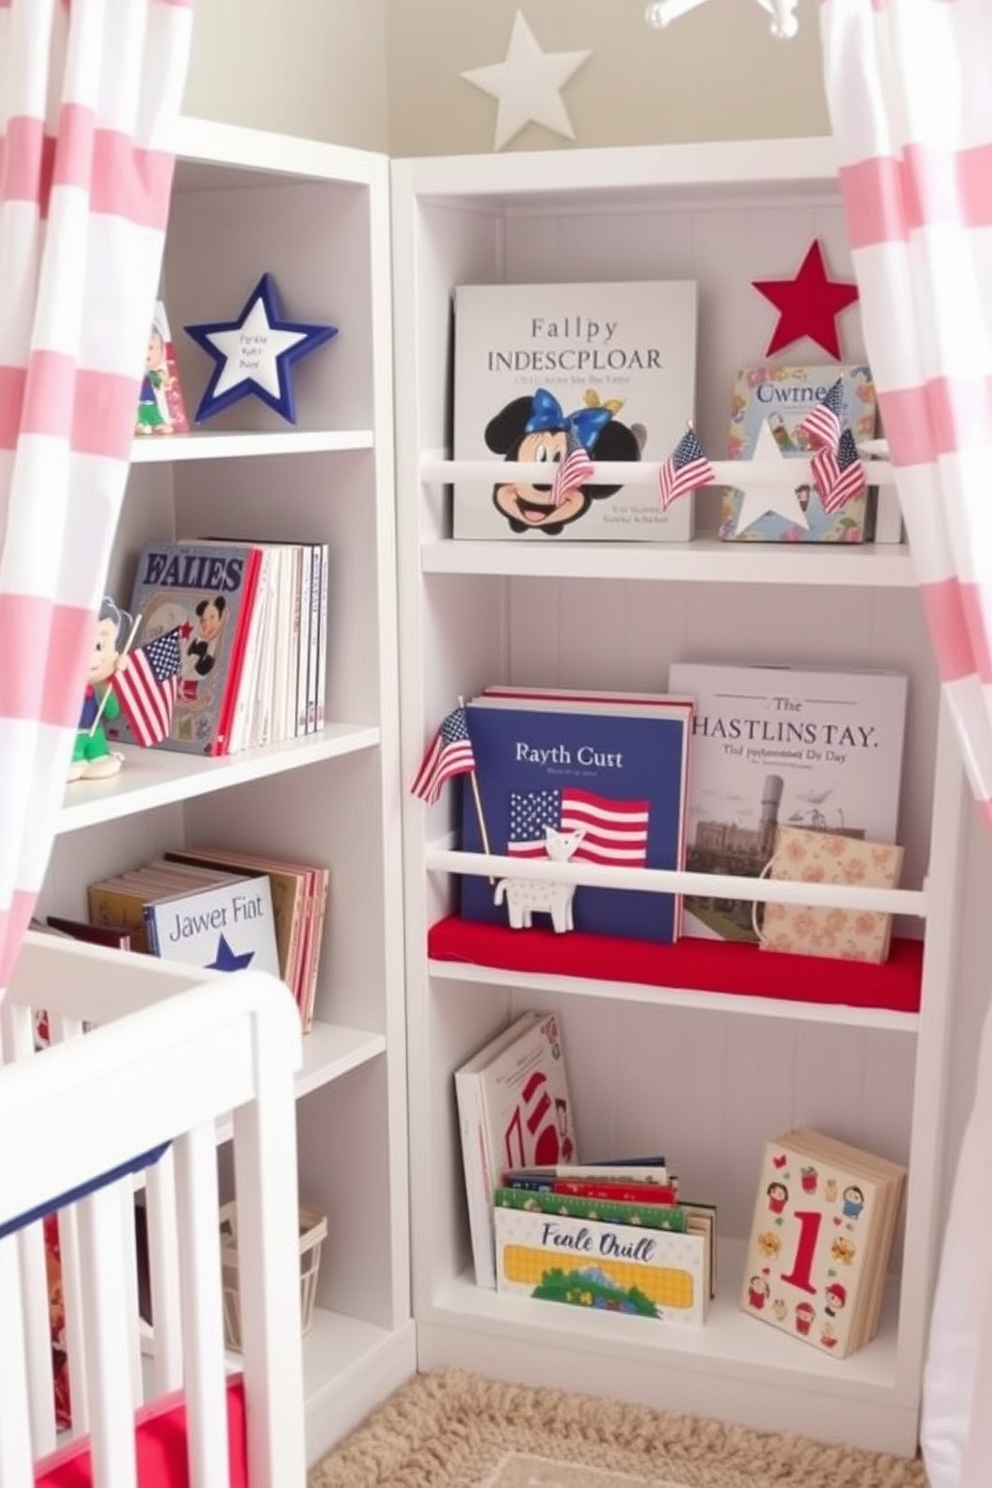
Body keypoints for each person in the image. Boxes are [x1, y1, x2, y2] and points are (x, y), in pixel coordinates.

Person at [68, 597, 131, 782]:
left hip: (95, 735)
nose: (93, 657)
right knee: (73, 758)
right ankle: (73, 760)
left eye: (98, 646)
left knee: (101, 759)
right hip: (70, 739)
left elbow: (112, 711)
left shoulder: (99, 686)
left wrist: (107, 681)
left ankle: (97, 757)